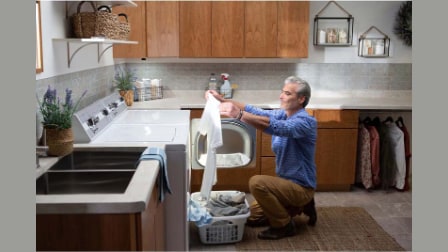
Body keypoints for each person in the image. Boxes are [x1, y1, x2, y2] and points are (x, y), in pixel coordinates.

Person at [205, 76, 317, 240]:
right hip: (286, 183)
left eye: (287, 93)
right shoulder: (283, 114)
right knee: (251, 217)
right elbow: (255, 111)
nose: (281, 96)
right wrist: (222, 99)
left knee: (257, 183)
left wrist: (239, 115)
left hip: (301, 186)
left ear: (301, 99)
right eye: (282, 92)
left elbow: (280, 128)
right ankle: (298, 206)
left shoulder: (305, 122)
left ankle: (284, 225)